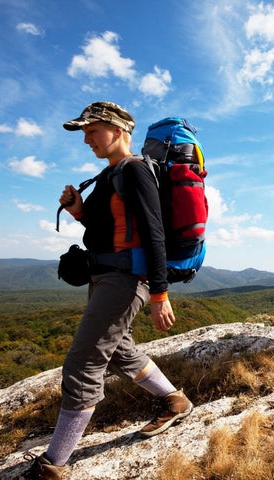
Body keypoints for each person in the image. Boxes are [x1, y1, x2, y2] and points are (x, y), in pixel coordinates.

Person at [21, 102, 193, 480]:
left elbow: (154, 233)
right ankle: (175, 401)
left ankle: (54, 465)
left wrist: (160, 294)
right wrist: (78, 209)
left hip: (127, 280)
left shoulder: (134, 171)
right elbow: (105, 226)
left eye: (91, 131)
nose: (86, 139)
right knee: (118, 350)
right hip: (106, 276)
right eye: (84, 133)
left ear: (117, 130)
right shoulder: (109, 174)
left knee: (83, 362)